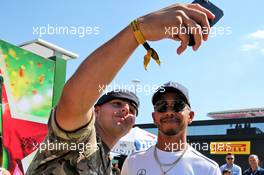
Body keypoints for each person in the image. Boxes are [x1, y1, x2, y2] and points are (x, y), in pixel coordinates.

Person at [26, 2, 215, 174]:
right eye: (116, 104)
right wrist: (137, 31)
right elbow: (73, 102)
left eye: (133, 110)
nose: (126, 109)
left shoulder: (107, 163)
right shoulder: (77, 142)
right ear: (95, 110)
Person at [121, 81, 222, 175]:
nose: (169, 112)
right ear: (154, 118)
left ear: (190, 116)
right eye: (162, 106)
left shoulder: (208, 169)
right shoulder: (133, 162)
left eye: (178, 105)